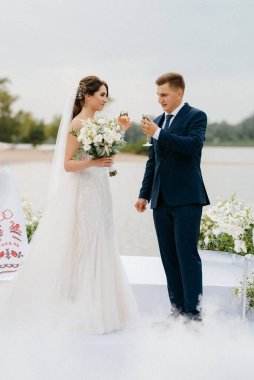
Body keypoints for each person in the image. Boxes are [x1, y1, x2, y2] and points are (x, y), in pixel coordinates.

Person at [2, 76, 139, 334]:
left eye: (106, 95)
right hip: (83, 189)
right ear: (86, 96)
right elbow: (68, 164)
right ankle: (79, 307)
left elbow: (101, 153)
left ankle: (105, 308)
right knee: (85, 242)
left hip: (99, 188)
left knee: (102, 239)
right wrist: (94, 163)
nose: (105, 99)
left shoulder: (97, 123)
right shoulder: (77, 124)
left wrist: (119, 132)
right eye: (101, 94)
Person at [135, 72, 209, 322]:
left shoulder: (196, 116)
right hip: (161, 200)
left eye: (164, 95)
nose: (160, 100)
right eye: (158, 95)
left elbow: (192, 146)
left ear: (179, 93)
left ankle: (194, 315)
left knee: (187, 256)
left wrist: (158, 133)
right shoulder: (158, 121)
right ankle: (177, 312)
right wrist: (144, 194)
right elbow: (152, 161)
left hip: (188, 198)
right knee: (168, 258)